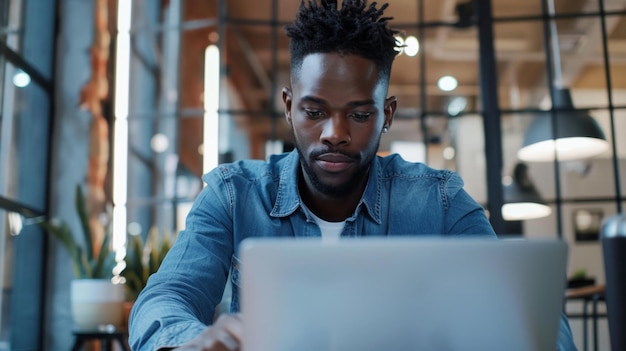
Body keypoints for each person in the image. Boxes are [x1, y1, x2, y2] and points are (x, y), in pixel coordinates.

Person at [129, 1, 577, 350]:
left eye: (359, 114)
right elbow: (166, 297)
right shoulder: (234, 194)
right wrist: (189, 343)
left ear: (387, 114)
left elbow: (527, 315)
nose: (335, 134)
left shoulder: (438, 201)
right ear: (289, 107)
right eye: (314, 111)